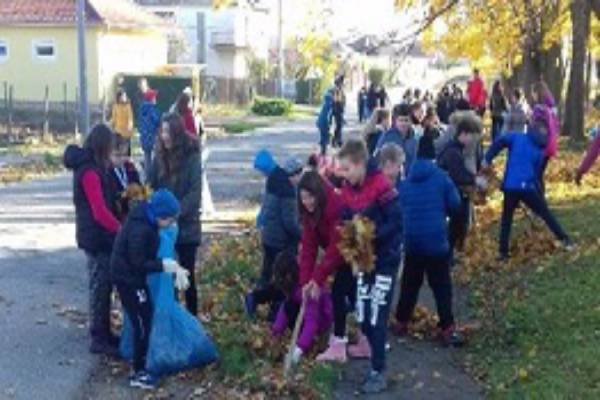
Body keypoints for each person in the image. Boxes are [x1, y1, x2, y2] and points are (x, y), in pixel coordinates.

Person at [334, 139, 403, 394]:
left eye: (347, 168)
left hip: (385, 258)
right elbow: (344, 216)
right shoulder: (348, 187)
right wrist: (348, 233)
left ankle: (378, 370)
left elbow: (396, 223)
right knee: (362, 315)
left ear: (361, 164)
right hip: (362, 261)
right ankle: (374, 357)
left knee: (377, 315)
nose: (344, 173)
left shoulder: (381, 186)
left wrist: (370, 236)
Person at [111, 189, 187, 389]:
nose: (170, 225)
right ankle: (138, 371)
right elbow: (138, 262)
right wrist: (163, 265)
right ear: (161, 215)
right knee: (142, 322)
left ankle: (141, 365)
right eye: (169, 220)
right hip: (128, 279)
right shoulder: (141, 229)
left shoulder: (147, 220)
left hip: (134, 278)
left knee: (146, 316)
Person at [393, 135, 465, 346]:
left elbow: (399, 208)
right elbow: (455, 205)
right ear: (433, 156)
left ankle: (401, 321)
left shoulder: (405, 183)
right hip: (436, 241)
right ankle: (447, 326)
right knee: (441, 285)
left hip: (412, 241)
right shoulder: (442, 178)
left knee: (409, 283)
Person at [63, 124, 121, 356]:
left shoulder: (95, 167)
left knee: (104, 285)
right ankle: (99, 337)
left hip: (97, 235)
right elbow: (99, 210)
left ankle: (104, 332)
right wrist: (120, 230)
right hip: (95, 236)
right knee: (99, 286)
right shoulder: (89, 172)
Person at [482, 116, 573, 261]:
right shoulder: (541, 151)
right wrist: (539, 195)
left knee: (507, 218)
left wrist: (488, 158)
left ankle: (503, 252)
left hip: (511, 186)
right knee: (545, 212)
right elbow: (536, 175)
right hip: (527, 187)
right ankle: (564, 239)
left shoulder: (517, 138)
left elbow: (499, 141)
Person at [148, 113, 202, 315]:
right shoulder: (159, 156)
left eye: (169, 132)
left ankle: (192, 320)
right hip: (163, 227)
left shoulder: (192, 157)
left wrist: (175, 214)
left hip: (186, 228)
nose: (165, 136)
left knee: (187, 277)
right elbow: (150, 185)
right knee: (166, 275)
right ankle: (170, 319)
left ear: (178, 133)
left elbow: (195, 194)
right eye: (162, 132)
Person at [293, 172, 349, 362]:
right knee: (341, 295)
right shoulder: (310, 214)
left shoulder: (335, 207)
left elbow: (336, 248)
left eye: (310, 197)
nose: (307, 202)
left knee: (342, 294)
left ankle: (343, 345)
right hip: (339, 254)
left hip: (353, 252)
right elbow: (308, 249)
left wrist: (318, 279)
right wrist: (305, 283)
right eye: (303, 198)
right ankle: (341, 342)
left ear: (318, 194)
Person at [244, 156, 304, 319]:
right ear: (293, 175)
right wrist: (303, 235)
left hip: (269, 237)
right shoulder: (288, 191)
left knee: (268, 274)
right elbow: (289, 222)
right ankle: (272, 309)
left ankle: (257, 300)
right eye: (299, 175)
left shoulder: (274, 181)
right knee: (284, 278)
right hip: (282, 242)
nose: (300, 180)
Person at [271, 250, 333, 367]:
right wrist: (276, 332)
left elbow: (312, 321)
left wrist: (299, 349)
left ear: (289, 276)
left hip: (322, 321)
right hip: (304, 313)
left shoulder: (308, 288)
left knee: (314, 334)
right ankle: (304, 338)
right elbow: (285, 309)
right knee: (288, 306)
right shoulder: (293, 285)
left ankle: (313, 340)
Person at [437, 118, 486, 259]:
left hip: (452, 191)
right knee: (456, 224)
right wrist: (475, 179)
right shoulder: (453, 151)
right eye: (471, 136)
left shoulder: (455, 149)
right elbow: (457, 175)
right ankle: (448, 254)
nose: (472, 140)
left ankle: (451, 252)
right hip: (449, 193)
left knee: (459, 222)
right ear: (463, 134)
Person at [531, 81, 559, 193]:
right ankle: (540, 203)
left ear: (537, 93)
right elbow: (556, 126)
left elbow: (534, 127)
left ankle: (539, 205)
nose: (532, 95)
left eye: (533, 92)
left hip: (541, 145)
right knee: (538, 174)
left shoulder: (539, 109)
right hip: (550, 144)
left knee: (536, 175)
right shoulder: (552, 107)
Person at [375, 103, 417, 174]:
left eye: (406, 120)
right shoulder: (387, 137)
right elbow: (377, 158)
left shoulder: (414, 137)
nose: (403, 124)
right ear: (395, 121)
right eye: (400, 120)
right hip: (391, 176)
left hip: (410, 176)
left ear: (410, 121)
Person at [108, 139, 141, 222]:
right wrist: (122, 195)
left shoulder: (130, 167)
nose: (122, 158)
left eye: (125, 154)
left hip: (132, 213)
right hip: (115, 215)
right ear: (108, 155)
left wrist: (137, 190)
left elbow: (138, 184)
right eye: (117, 155)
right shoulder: (107, 171)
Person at [138, 89, 161, 178]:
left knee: (147, 157)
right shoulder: (151, 109)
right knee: (155, 156)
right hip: (152, 136)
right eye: (154, 97)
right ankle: (153, 175)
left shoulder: (142, 109)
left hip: (144, 136)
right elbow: (156, 121)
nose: (155, 99)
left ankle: (147, 176)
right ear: (151, 99)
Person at [110, 89, 134, 156]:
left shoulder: (128, 106)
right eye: (123, 96)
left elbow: (130, 117)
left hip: (127, 132)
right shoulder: (115, 106)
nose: (124, 97)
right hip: (118, 132)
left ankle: (128, 162)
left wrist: (130, 124)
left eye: (125, 96)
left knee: (127, 150)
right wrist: (110, 125)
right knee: (119, 149)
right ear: (119, 97)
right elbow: (114, 118)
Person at [316, 86, 334, 155]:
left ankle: (323, 150)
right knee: (325, 137)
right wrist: (328, 124)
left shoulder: (326, 102)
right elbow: (328, 115)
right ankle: (323, 151)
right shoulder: (329, 103)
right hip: (324, 122)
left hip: (320, 122)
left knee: (323, 137)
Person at [332, 75, 346, 148]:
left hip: (339, 109)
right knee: (339, 126)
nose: (343, 84)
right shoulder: (337, 90)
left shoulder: (339, 89)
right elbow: (337, 100)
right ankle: (335, 141)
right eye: (342, 83)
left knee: (339, 126)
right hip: (338, 110)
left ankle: (338, 140)